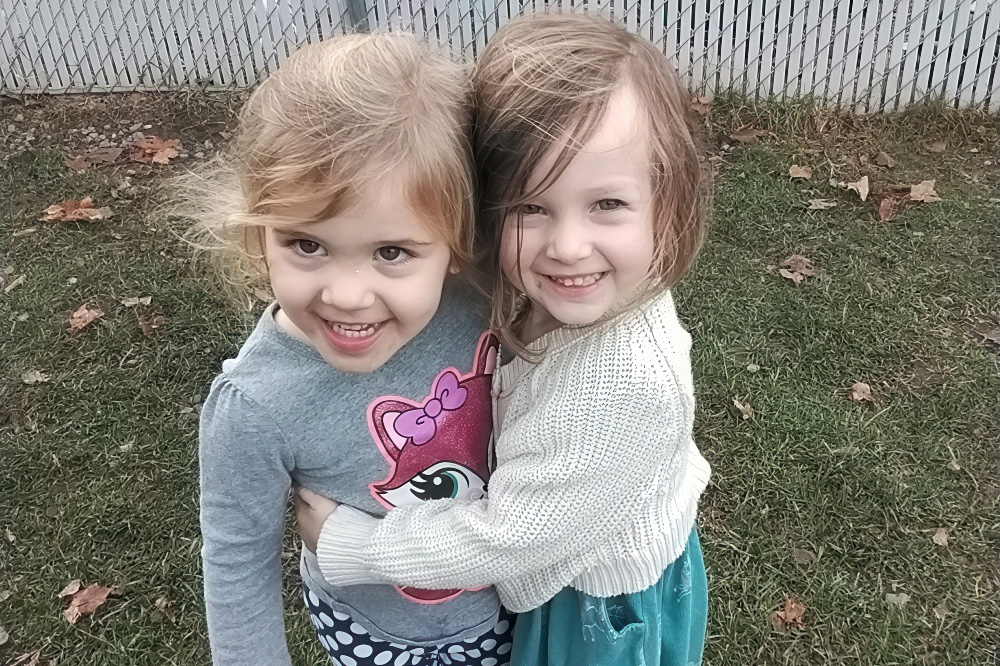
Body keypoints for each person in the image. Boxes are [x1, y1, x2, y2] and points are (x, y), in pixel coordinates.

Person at [296, 12, 713, 666]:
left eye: (606, 204)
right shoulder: (585, 287)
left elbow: (508, 542)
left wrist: (353, 547)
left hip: (593, 614)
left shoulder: (618, 379)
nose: (569, 247)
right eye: (529, 207)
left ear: (665, 197)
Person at [184, 32, 514, 666]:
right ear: (259, 232)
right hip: (373, 636)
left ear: (455, 243)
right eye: (306, 245)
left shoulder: (485, 303)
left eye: (391, 253)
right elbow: (236, 561)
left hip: (518, 608)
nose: (346, 295)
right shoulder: (254, 404)